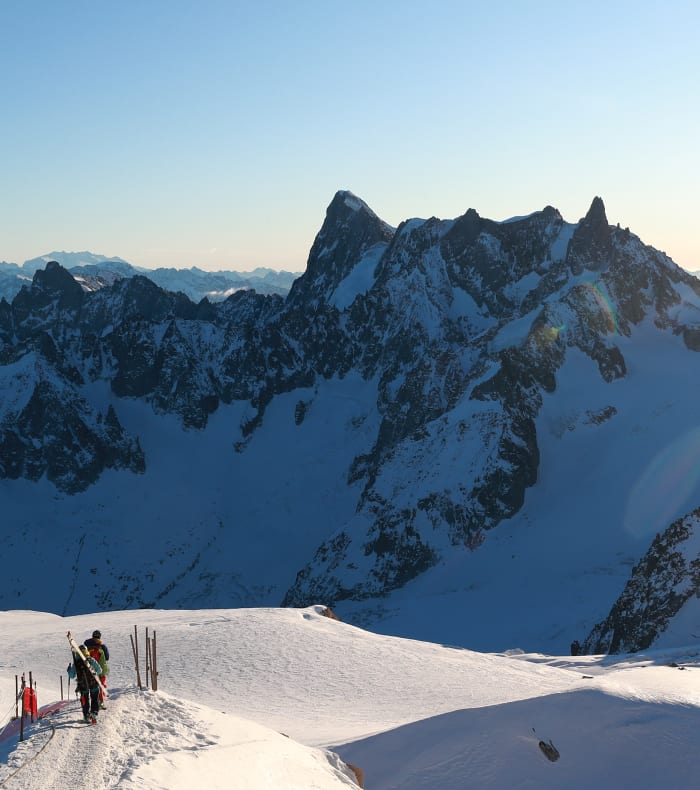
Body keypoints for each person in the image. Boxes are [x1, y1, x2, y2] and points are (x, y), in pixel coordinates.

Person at [67, 645, 101, 723]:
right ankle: (94, 714)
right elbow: (99, 670)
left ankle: (86, 715)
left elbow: (72, 676)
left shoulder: (76, 663)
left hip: (83, 685)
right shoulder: (91, 660)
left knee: (85, 700)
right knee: (95, 699)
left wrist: (69, 670)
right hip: (93, 684)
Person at [85, 629, 109, 708]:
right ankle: (100, 702)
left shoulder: (87, 646)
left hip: (90, 669)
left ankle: (88, 703)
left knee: (91, 687)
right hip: (101, 669)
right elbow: (107, 658)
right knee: (101, 685)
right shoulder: (102, 646)